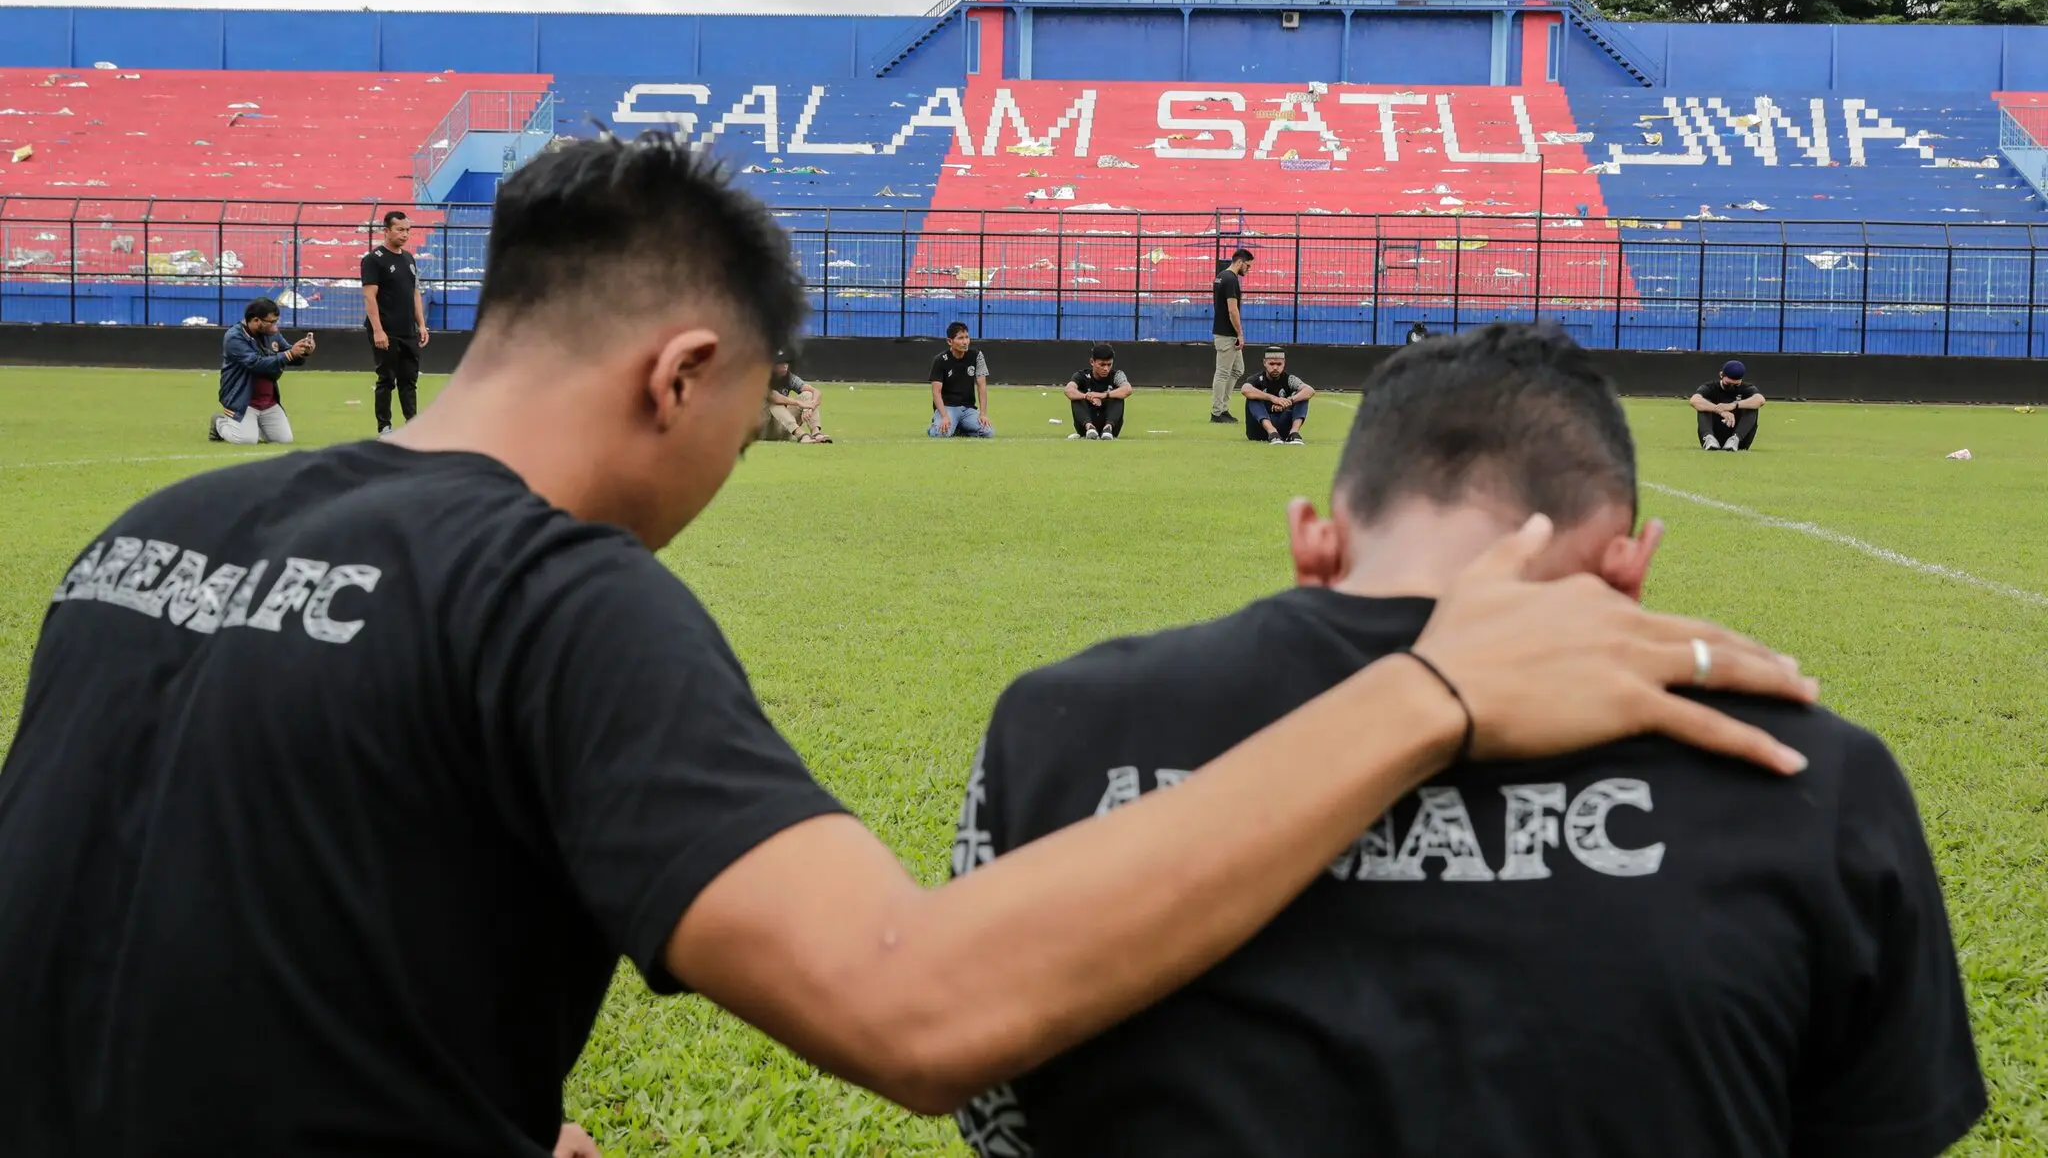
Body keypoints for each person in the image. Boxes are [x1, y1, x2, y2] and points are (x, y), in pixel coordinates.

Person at [0, 134, 1819, 1158]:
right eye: (757, 406)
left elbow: (172, 952)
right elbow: (917, 1007)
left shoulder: (153, 533)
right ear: (683, 372)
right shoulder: (553, 595)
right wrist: (1426, 690)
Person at [951, 322, 1982, 1158]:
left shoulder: (1059, 723)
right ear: (1627, 565)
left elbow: (992, 1104)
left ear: (1314, 537)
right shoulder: (1807, 770)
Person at [209, 297, 314, 445]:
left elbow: (288, 354)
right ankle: (220, 423)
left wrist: (303, 351)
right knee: (246, 440)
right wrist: (290, 353)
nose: (275, 326)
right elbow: (256, 363)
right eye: (271, 322)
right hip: (242, 400)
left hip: (268, 401)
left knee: (284, 440)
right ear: (257, 320)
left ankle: (252, 425)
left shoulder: (272, 334)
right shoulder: (234, 337)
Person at [361, 209, 429, 436]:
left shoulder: (409, 259)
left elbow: (415, 293)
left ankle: (413, 425)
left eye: (408, 230)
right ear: (386, 230)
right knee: (386, 379)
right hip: (386, 331)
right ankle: (385, 427)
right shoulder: (373, 260)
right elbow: (370, 297)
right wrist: (378, 331)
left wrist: (421, 324)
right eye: (400, 230)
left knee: (409, 380)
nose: (405, 235)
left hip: (408, 330)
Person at [929, 322, 994, 438]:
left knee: (988, 432)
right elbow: (936, 392)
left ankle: (958, 427)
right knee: (940, 434)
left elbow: (982, 385)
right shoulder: (940, 360)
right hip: (948, 408)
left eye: (967, 337)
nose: (965, 342)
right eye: (960, 338)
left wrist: (983, 414)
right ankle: (936, 425)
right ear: (950, 341)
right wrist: (944, 416)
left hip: (968, 409)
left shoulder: (977, 356)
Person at [1210, 248, 1253, 424]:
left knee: (1237, 370)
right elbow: (1232, 310)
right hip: (1227, 334)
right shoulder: (1231, 280)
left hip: (1224, 332)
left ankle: (1223, 408)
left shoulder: (1221, 276)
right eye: (1247, 266)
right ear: (1240, 262)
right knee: (1222, 372)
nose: (1248, 269)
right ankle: (1217, 412)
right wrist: (1239, 334)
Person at [1241, 348, 1316, 444]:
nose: (1275, 368)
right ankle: (1272, 432)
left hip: (1283, 428)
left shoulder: (1289, 379)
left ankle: (1294, 433)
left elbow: (1310, 390)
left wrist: (1289, 401)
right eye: (1271, 364)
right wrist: (1274, 399)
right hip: (1258, 430)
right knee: (1252, 397)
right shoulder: (1257, 379)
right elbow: (1245, 389)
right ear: (1265, 363)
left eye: (1279, 364)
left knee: (1302, 396)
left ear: (1284, 363)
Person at [1691, 359, 1765, 450]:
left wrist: (1734, 405)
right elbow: (1694, 400)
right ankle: (1709, 438)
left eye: (1736, 385)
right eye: (1728, 384)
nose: (1731, 388)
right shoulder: (1711, 387)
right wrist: (1718, 410)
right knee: (1704, 404)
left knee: (1752, 405)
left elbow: (1760, 400)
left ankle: (1735, 439)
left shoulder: (1747, 388)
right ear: (1721, 375)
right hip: (1715, 432)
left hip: (1739, 439)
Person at [1064, 344, 1133, 440]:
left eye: (1109, 364)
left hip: (1111, 426)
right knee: (1076, 396)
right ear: (1092, 362)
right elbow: (1068, 390)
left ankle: (1107, 429)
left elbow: (1128, 389)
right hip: (1085, 425)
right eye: (1102, 365)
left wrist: (1103, 395)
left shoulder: (1117, 375)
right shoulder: (1082, 375)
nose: (1106, 369)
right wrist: (1086, 396)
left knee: (1118, 395)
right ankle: (1090, 428)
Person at [762, 354, 830, 443]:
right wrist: (799, 403)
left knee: (808, 395)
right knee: (773, 403)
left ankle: (816, 433)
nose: (785, 365)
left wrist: (810, 406)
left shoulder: (789, 377)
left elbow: (816, 391)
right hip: (764, 429)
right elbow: (774, 397)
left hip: (783, 426)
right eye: (780, 363)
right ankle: (801, 435)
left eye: (786, 362)